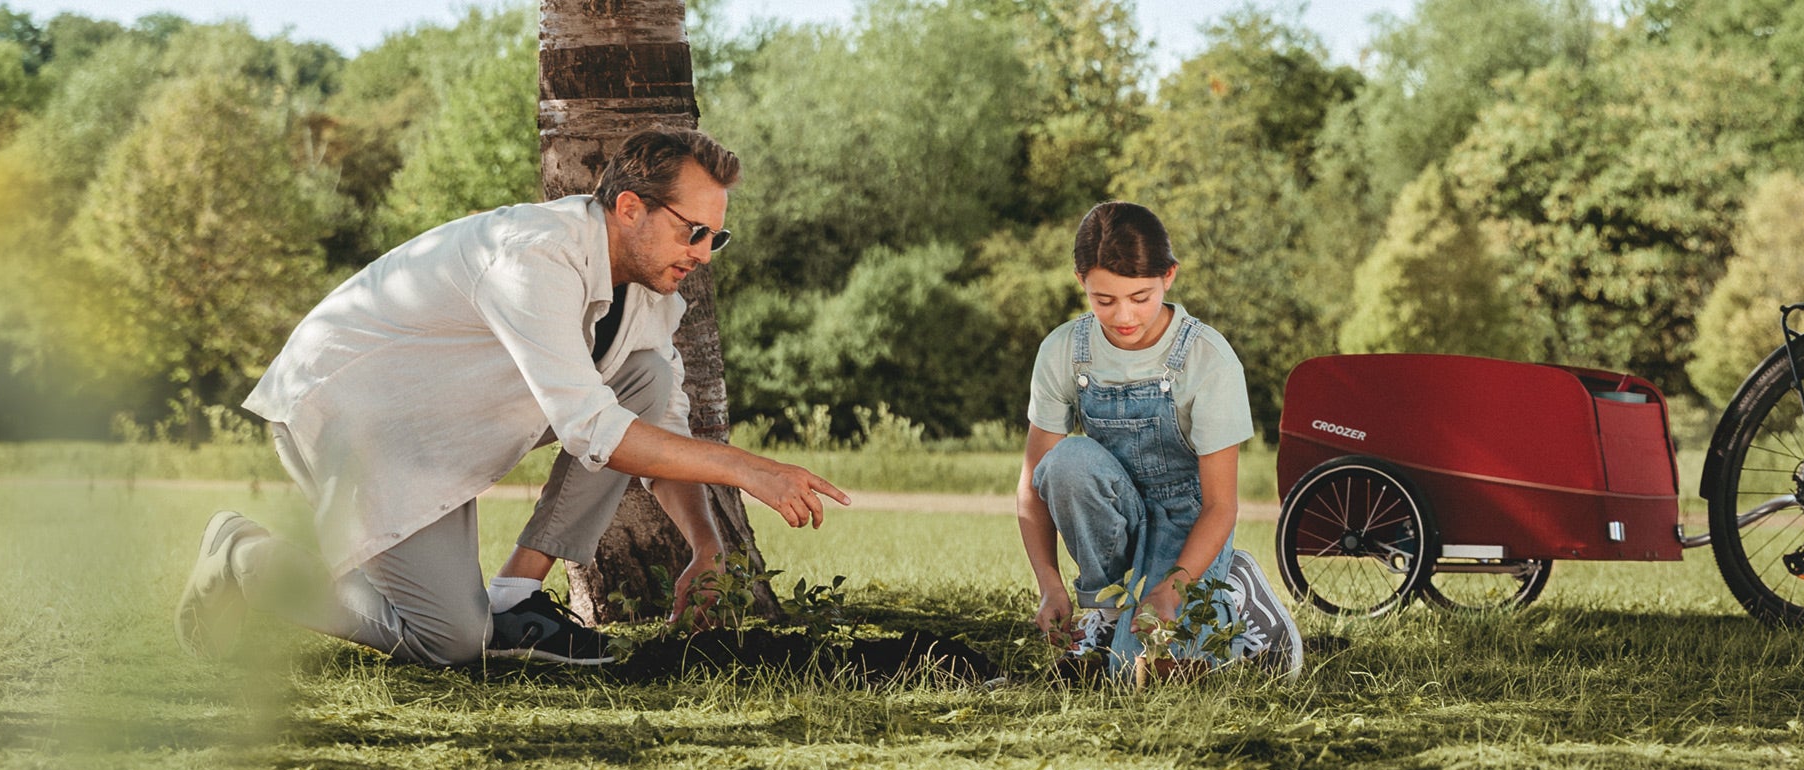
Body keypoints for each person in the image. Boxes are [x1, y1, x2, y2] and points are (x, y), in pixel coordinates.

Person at [173, 128, 849, 666]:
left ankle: (518, 593)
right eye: (692, 231)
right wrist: (748, 468)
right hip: (354, 416)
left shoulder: (649, 289)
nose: (703, 253)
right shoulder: (534, 257)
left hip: (436, 430)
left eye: (715, 237)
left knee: (649, 377)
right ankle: (245, 557)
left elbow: (656, 417)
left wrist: (706, 544)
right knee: (452, 641)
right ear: (631, 208)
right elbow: (591, 429)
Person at [1015, 201, 1302, 678]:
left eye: (1140, 297)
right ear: (1080, 280)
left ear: (1169, 276)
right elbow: (1033, 483)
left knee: (1153, 672)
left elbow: (1220, 506)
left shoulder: (1207, 358)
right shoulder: (1064, 350)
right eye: (1104, 300)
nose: (1123, 316)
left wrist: (1172, 587)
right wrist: (1049, 583)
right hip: (1117, 514)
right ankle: (1104, 612)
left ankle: (1235, 588)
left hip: (1190, 522)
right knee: (1067, 461)